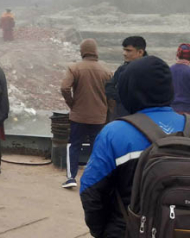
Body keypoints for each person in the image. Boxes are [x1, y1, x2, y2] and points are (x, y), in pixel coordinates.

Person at [80, 56, 184, 237]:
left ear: (129, 90)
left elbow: (91, 192)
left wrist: (102, 231)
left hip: (127, 230)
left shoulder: (115, 133)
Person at [60, 39, 113, 189]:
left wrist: (72, 104)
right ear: (96, 51)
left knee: (73, 145)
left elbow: (65, 88)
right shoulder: (106, 71)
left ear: (82, 51)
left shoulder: (74, 68)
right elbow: (111, 96)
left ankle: (71, 177)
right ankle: (94, 179)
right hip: (99, 117)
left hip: (79, 116)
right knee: (96, 147)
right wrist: (107, 113)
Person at [105, 36, 147, 121]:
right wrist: (122, 98)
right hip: (123, 115)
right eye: (124, 50)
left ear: (140, 52)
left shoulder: (151, 70)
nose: (124, 53)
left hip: (143, 116)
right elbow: (109, 87)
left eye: (128, 50)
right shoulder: (122, 69)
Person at [171, 43, 190, 113]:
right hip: (187, 110)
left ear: (178, 54)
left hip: (172, 110)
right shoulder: (188, 71)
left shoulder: (169, 70)